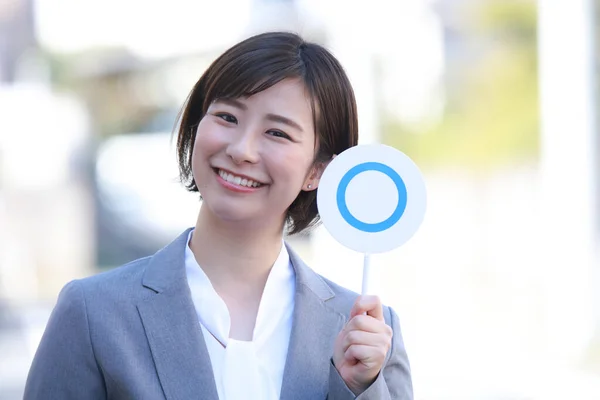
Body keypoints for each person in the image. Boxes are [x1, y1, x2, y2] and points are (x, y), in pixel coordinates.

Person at [24, 32, 413, 399]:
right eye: (227, 117)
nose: (242, 150)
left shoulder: (368, 335)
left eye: (277, 133)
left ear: (318, 171)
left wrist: (358, 389)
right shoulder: (95, 313)